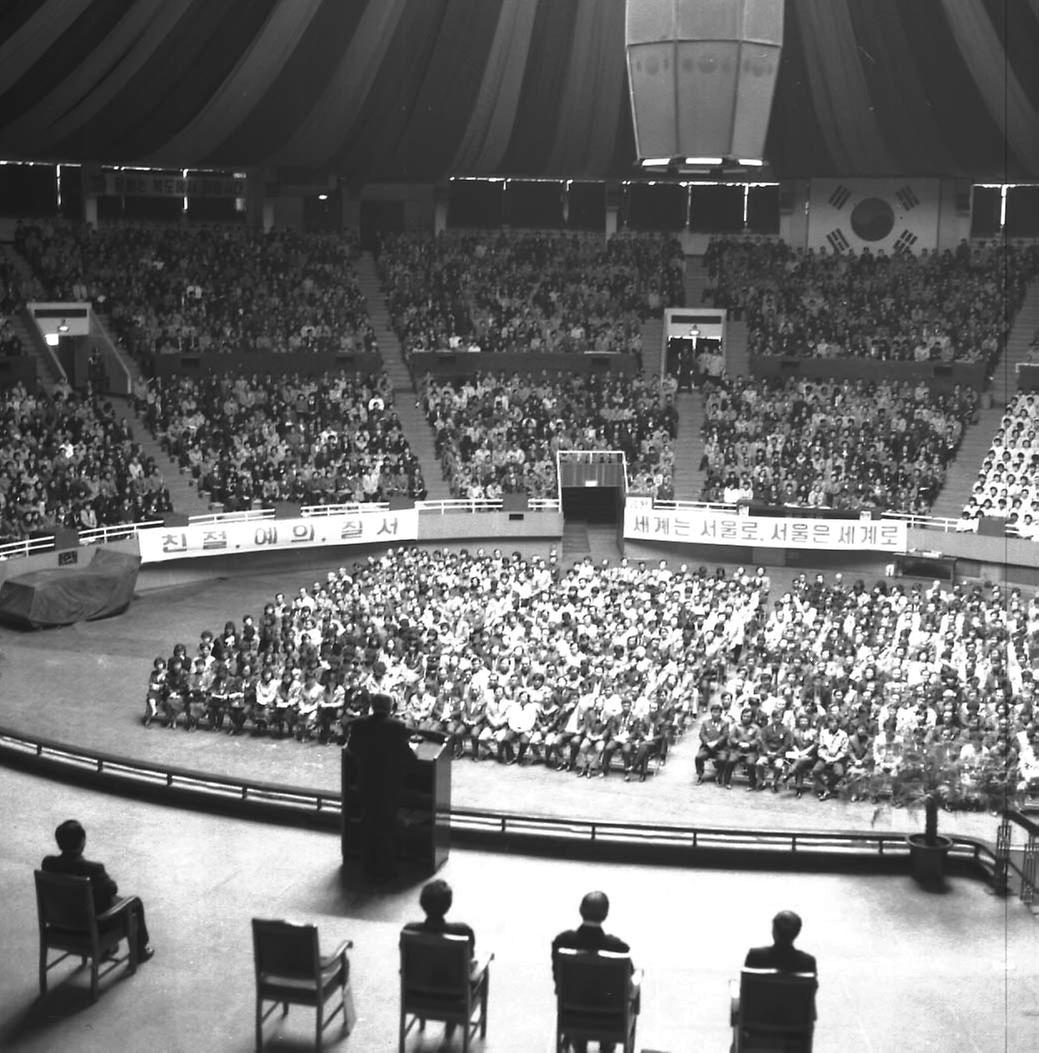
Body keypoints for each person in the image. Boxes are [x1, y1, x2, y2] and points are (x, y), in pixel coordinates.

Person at [41, 819, 154, 962]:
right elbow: (112, 889)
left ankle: (107, 949)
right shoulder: (93, 869)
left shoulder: (48, 864)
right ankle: (140, 952)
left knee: (95, 898)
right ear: (83, 841)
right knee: (134, 902)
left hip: (60, 923)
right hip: (90, 926)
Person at [401, 878, 492, 1041]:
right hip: (455, 998)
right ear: (448, 905)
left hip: (418, 994)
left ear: (422, 903)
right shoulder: (463, 931)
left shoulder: (408, 931)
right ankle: (454, 1018)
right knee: (477, 969)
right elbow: (469, 958)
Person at [551, 891, 638, 1053]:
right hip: (611, 1018)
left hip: (572, 1014)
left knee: (582, 993)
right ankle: (606, 1045)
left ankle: (579, 1042)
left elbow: (557, 977)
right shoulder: (619, 948)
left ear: (580, 910)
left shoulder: (562, 942)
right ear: (606, 914)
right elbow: (630, 981)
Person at [345, 692, 416, 882]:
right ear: (390, 708)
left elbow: (352, 749)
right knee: (386, 824)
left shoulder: (359, 724)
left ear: (372, 706)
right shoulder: (397, 727)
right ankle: (385, 867)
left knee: (368, 821)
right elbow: (408, 756)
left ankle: (367, 865)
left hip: (366, 780)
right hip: (388, 783)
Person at [744, 910, 818, 999]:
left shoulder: (755, 956)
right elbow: (810, 995)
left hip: (758, 1012)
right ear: (797, 933)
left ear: (774, 931)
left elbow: (746, 991)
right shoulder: (807, 962)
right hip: (793, 1013)